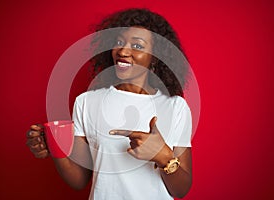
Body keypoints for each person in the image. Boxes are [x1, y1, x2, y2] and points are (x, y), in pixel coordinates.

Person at [26, 8, 193, 200]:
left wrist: (163, 156)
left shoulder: (175, 107)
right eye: (119, 42)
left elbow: (181, 190)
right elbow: (79, 179)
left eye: (137, 46)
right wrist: (55, 147)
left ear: (155, 57)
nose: (122, 51)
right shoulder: (87, 102)